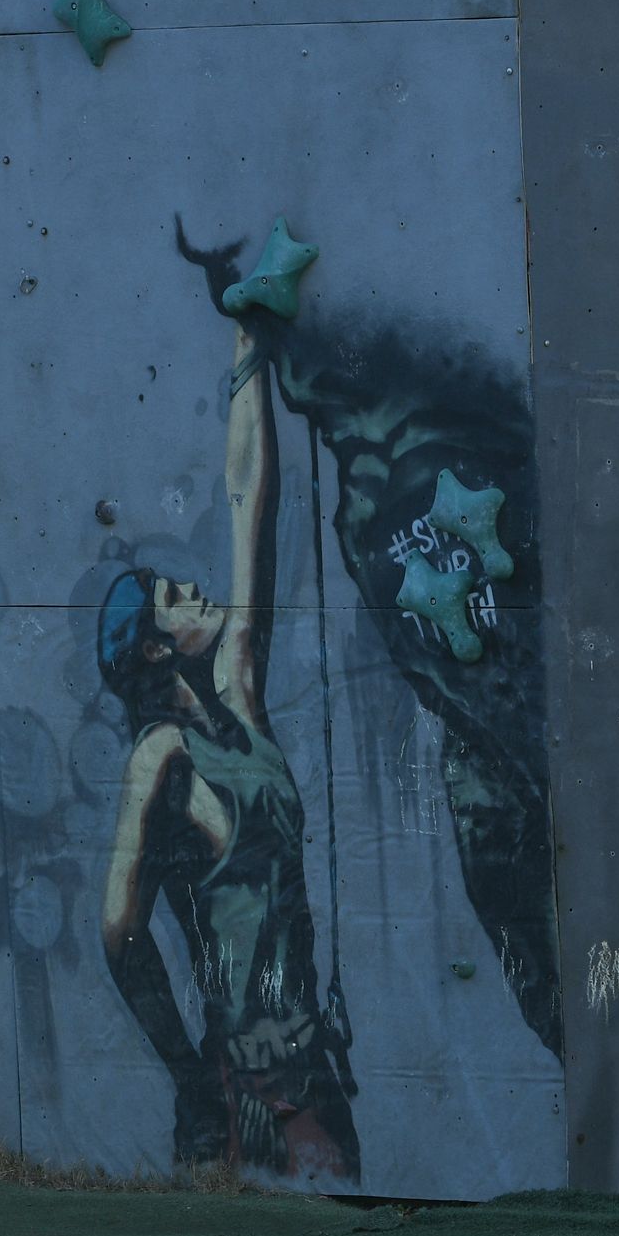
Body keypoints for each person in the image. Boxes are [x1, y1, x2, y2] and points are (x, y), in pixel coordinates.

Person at [91, 253, 361, 1182]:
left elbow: (252, 498)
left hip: (314, 1068)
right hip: (246, 1087)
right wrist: (185, 1074)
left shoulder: (240, 698)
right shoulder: (160, 753)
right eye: (175, 595)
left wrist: (249, 343)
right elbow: (117, 929)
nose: (196, 586)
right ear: (158, 648)